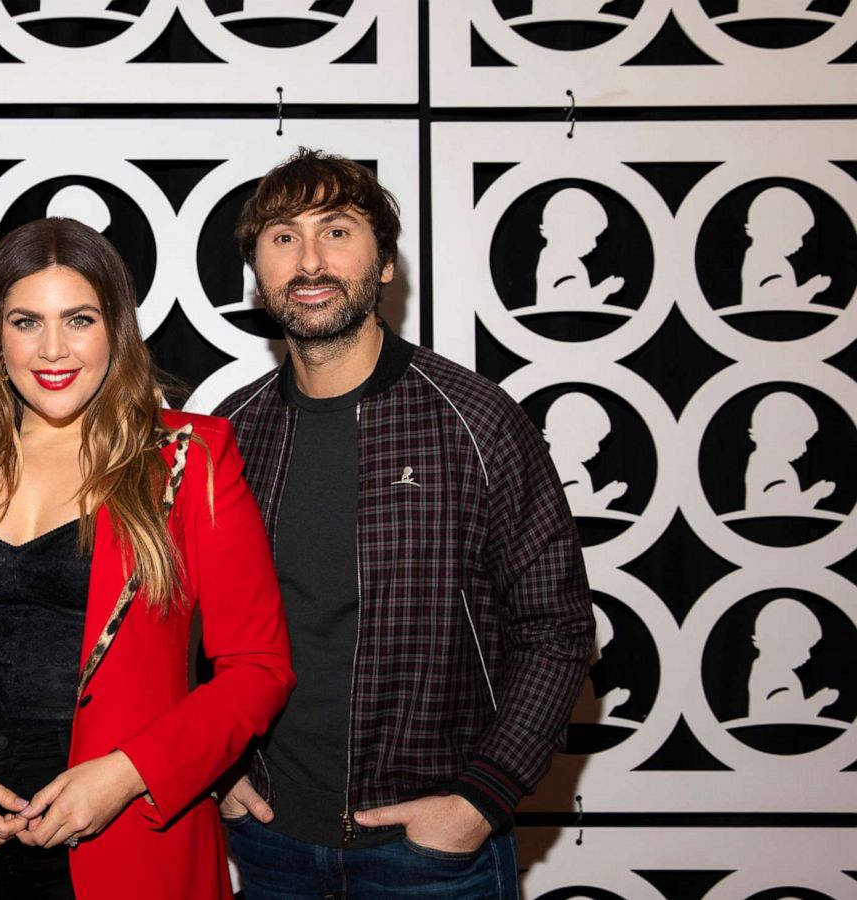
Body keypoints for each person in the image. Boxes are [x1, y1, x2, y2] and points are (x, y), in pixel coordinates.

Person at [0, 217, 294, 900]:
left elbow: (257, 669)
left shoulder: (189, 458)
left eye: (78, 319)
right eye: (26, 322)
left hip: (130, 842)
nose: (53, 349)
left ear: (116, 326)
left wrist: (127, 773)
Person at [213, 149, 594, 899]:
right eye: (284, 237)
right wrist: (220, 771)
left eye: (338, 231)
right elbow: (184, 628)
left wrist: (481, 799)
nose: (311, 260)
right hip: (269, 844)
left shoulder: (477, 420)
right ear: (258, 273)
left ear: (384, 263)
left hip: (431, 856)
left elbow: (558, 626)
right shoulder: (232, 433)